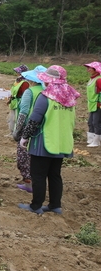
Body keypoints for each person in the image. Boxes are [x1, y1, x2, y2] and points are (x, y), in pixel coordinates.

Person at [18, 66, 80, 214]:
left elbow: (34, 119)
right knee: (55, 174)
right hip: (62, 142)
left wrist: (24, 137)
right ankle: (55, 205)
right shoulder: (69, 98)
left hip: (44, 141)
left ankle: (36, 206)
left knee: (38, 175)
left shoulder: (46, 97)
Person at [13, 65, 47, 193]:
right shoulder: (46, 92)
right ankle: (38, 182)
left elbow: (23, 112)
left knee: (23, 156)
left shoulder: (30, 92)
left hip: (28, 127)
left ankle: (29, 184)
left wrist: (17, 130)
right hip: (41, 128)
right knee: (36, 155)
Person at [83, 62, 101, 148]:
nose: (88, 69)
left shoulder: (99, 79)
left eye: (90, 68)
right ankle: (91, 140)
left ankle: (96, 141)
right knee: (90, 122)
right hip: (92, 104)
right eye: (88, 68)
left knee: (96, 122)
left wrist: (99, 102)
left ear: (96, 69)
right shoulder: (92, 79)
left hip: (98, 104)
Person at [7, 64, 29, 133]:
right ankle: (11, 132)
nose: (17, 73)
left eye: (18, 72)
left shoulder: (25, 83)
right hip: (14, 101)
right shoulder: (17, 80)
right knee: (12, 118)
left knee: (16, 118)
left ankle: (15, 133)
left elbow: (24, 94)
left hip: (19, 102)